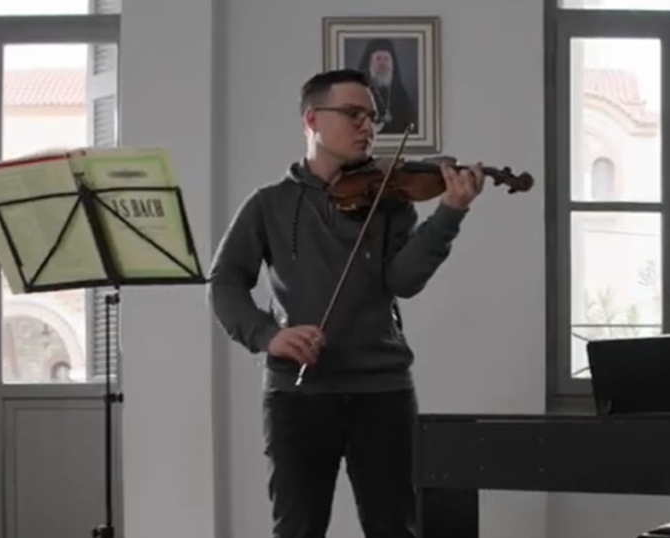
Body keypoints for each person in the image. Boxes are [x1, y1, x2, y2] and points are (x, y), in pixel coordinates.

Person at [206, 68, 485, 538]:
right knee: (298, 529)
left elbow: (403, 281)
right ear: (312, 120)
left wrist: (449, 215)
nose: (367, 126)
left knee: (395, 528)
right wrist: (269, 336)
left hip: (383, 390)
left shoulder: (390, 199)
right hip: (298, 394)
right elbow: (225, 281)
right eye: (353, 114)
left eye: (372, 117)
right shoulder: (269, 204)